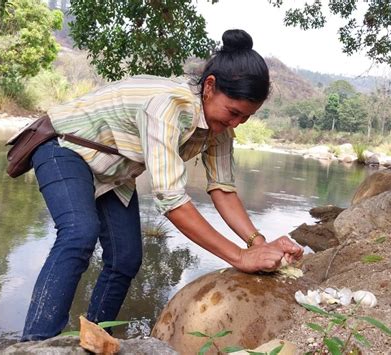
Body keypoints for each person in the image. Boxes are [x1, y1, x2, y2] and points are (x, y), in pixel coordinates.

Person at [21, 29, 303, 341]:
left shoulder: (220, 130)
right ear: (209, 87)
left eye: (246, 117)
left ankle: (94, 339)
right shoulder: (168, 106)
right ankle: (35, 342)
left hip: (113, 171)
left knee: (126, 258)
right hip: (64, 147)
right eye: (233, 112)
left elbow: (222, 189)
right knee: (79, 232)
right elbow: (171, 200)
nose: (236, 123)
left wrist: (257, 243)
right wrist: (238, 257)